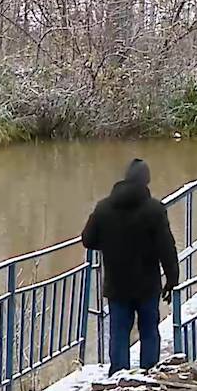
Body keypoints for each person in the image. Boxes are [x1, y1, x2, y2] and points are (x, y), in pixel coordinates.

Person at [81, 159, 179, 376]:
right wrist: (172, 279)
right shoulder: (154, 209)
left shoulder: (104, 207)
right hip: (147, 285)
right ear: (146, 181)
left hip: (117, 285)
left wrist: (108, 243)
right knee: (149, 332)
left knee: (118, 333)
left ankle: (118, 377)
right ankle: (149, 373)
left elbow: (88, 239)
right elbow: (166, 248)